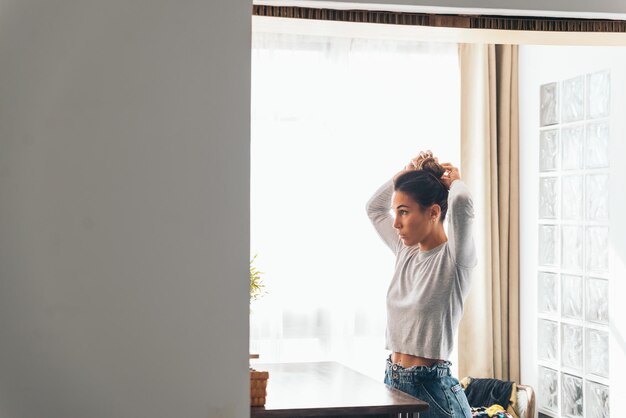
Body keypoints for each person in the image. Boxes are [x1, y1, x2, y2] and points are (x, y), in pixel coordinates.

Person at [366, 150, 476, 418]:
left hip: (433, 394)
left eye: (403, 212)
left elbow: (462, 202)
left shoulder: (455, 259)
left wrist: (456, 181)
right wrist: (403, 177)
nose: (396, 223)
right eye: (396, 212)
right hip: (393, 385)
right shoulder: (407, 252)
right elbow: (373, 208)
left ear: (434, 212)